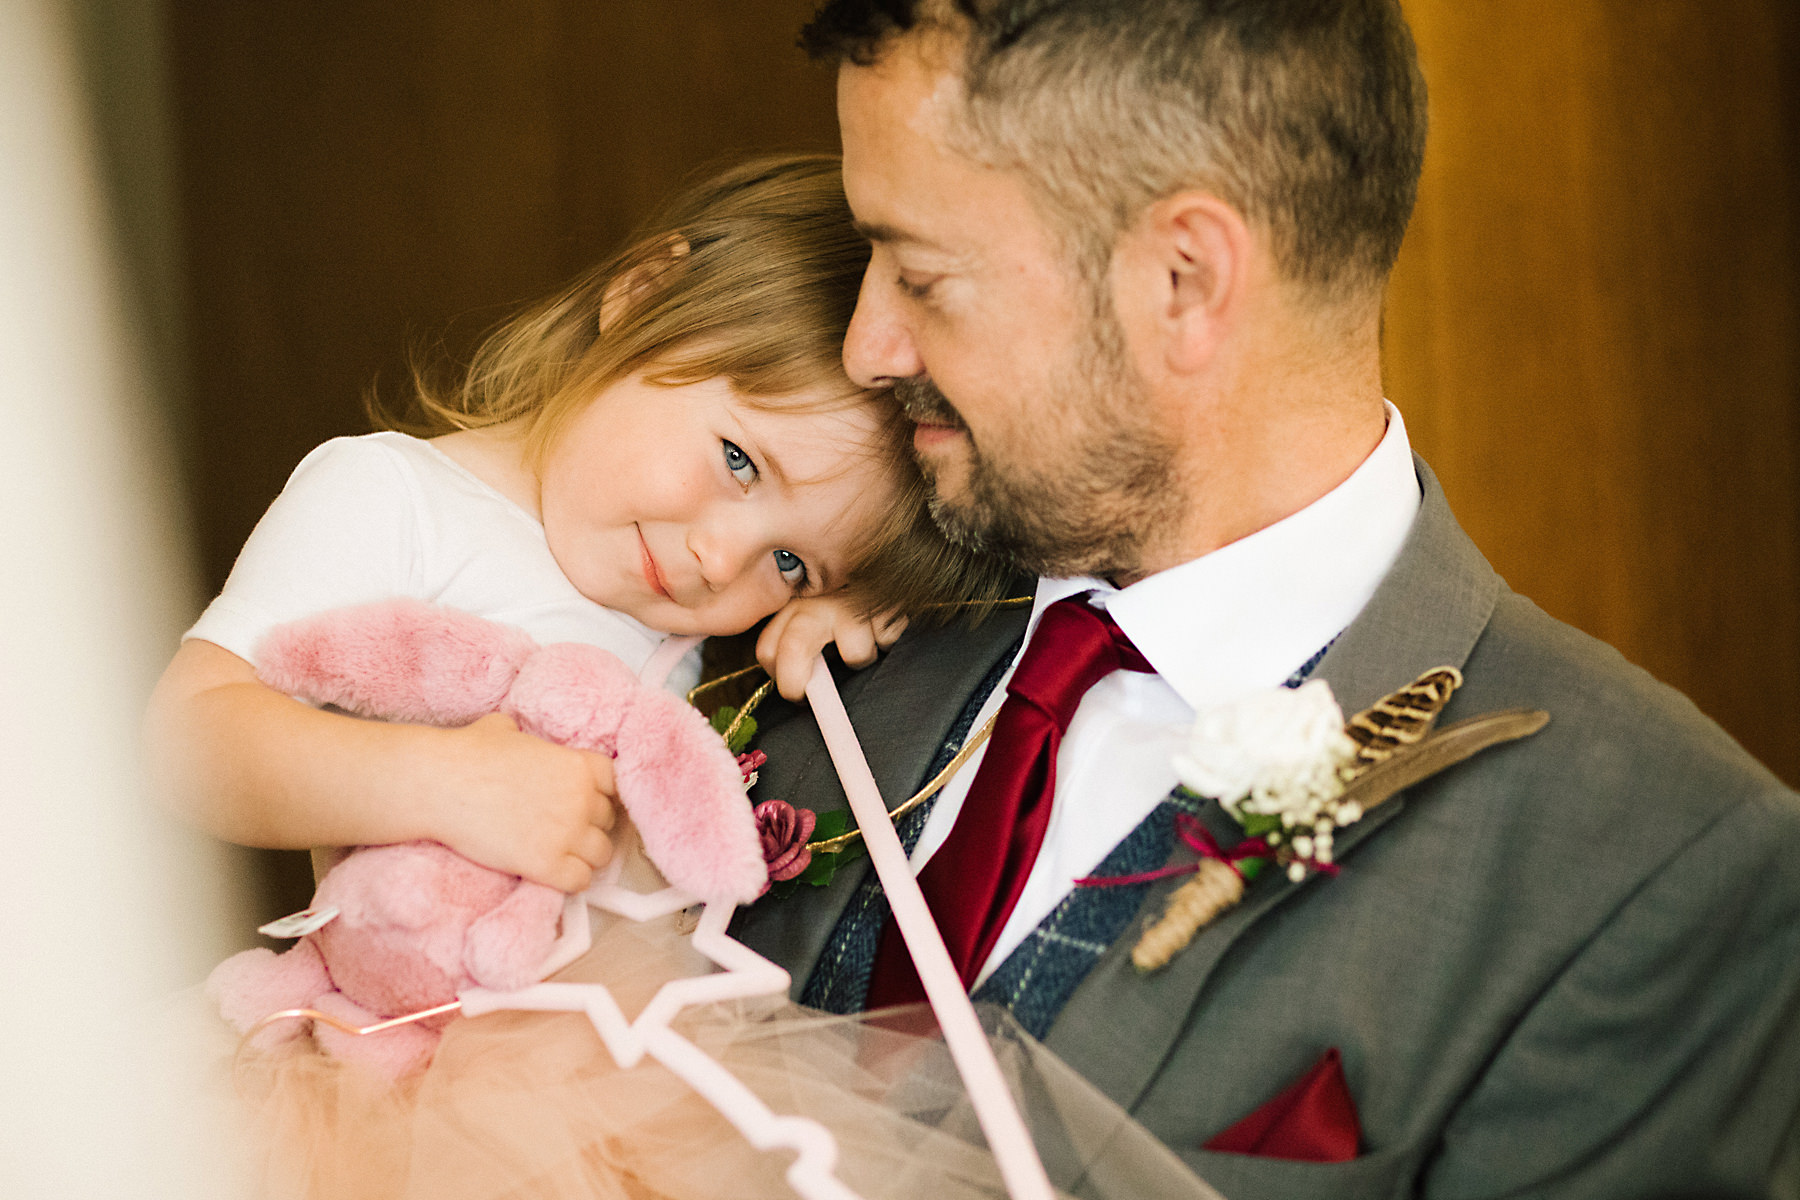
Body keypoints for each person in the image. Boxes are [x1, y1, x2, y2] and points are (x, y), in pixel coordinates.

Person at [730, 3, 1800, 1195]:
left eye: (922, 275)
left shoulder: (1656, 873)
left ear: (1185, 278)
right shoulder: (788, 609)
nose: (869, 345)